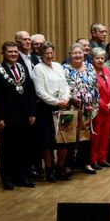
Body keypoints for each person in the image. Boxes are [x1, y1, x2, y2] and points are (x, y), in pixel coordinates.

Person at [0, 41, 38, 189]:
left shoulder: (22, 68)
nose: (13, 54)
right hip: (6, 118)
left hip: (23, 117)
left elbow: (29, 92)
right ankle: (6, 178)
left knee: (22, 148)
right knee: (6, 149)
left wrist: (32, 112)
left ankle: (21, 177)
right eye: (10, 52)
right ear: (3, 53)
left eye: (15, 52)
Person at [30, 43, 73, 181]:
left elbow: (66, 85)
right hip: (46, 109)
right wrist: (56, 102)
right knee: (47, 141)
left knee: (64, 139)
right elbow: (40, 91)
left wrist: (66, 98)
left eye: (51, 53)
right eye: (46, 53)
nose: (49, 56)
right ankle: (49, 170)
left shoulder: (58, 66)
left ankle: (60, 168)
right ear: (41, 55)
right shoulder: (38, 69)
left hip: (63, 106)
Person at [62, 44, 98, 173]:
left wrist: (94, 105)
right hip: (72, 107)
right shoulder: (64, 69)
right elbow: (63, 88)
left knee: (85, 137)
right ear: (69, 55)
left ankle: (85, 163)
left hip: (88, 108)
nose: (78, 55)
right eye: (74, 53)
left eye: (80, 53)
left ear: (84, 54)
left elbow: (95, 87)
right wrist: (73, 100)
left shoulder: (90, 67)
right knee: (70, 137)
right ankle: (67, 165)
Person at [89, 47, 110, 171]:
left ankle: (102, 158)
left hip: (109, 109)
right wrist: (104, 105)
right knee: (96, 137)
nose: (100, 60)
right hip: (98, 110)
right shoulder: (90, 72)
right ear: (92, 59)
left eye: (102, 58)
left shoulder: (106, 70)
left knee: (106, 136)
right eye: (97, 58)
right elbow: (92, 92)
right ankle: (94, 160)